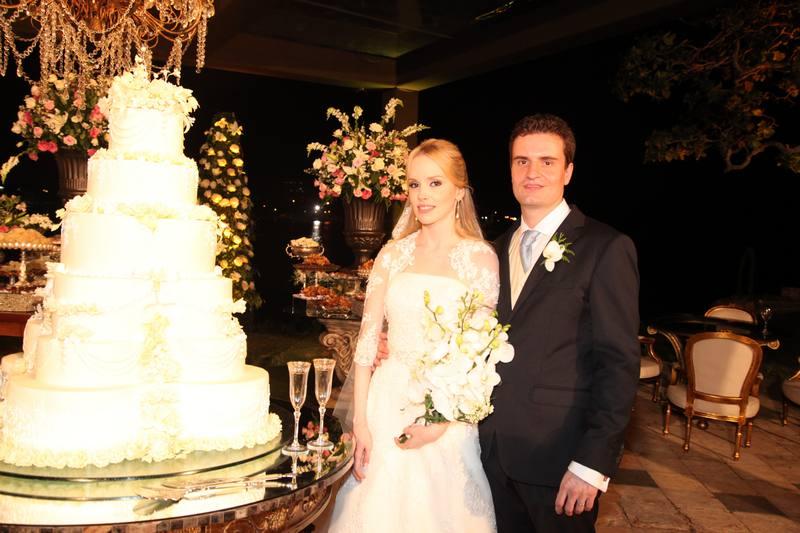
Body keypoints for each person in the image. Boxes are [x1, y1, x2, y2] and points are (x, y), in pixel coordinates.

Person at [478, 114, 640, 532]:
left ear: (568, 171)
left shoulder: (606, 247)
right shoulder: (489, 252)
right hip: (487, 454)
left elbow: (618, 363)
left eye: (547, 161)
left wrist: (592, 463)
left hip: (559, 461)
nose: (532, 172)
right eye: (521, 161)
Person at [328, 139, 499, 532]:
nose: (422, 195)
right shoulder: (392, 255)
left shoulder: (480, 258)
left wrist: (440, 420)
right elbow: (366, 344)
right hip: (386, 405)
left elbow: (478, 354)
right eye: (414, 184)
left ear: (460, 190)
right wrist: (361, 424)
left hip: (448, 413)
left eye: (435, 183)